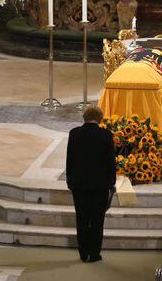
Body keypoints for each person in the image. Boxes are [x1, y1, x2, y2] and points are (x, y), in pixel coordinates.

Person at [66, 106, 116, 263]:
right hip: (100, 185)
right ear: (100, 118)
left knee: (81, 219)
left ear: (84, 117)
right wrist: (112, 182)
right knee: (97, 220)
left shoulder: (74, 134)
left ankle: (83, 253)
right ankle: (94, 253)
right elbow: (110, 162)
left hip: (79, 184)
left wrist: (69, 180)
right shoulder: (106, 135)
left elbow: (70, 159)